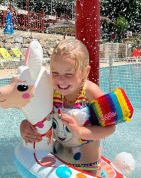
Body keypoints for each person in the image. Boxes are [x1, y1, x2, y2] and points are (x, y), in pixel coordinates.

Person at [20, 39, 116, 176]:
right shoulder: (51, 91)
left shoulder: (91, 92)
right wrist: (25, 125)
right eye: (55, 73)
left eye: (69, 74)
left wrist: (81, 131)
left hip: (87, 165)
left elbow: (110, 128)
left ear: (85, 72)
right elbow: (37, 116)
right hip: (57, 161)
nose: (60, 80)